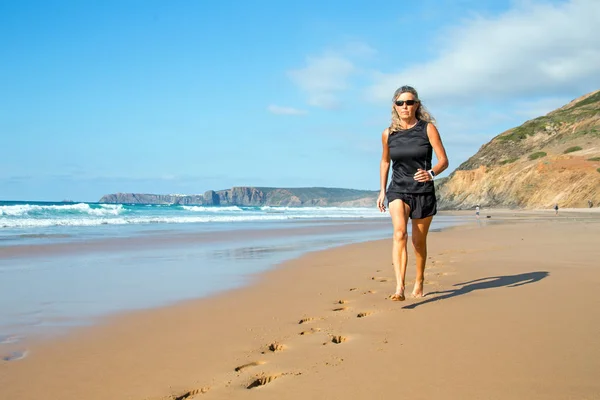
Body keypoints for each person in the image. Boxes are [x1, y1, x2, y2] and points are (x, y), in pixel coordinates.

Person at [377, 85, 449, 301]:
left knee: (418, 242)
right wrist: (382, 191)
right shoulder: (388, 134)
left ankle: (419, 280)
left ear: (417, 105)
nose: (405, 106)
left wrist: (431, 173)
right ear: (395, 107)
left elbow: (443, 161)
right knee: (400, 233)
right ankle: (399, 287)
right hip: (397, 188)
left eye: (409, 102)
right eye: (400, 103)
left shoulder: (428, 129)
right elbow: (385, 161)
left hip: (422, 191)